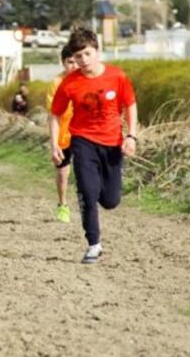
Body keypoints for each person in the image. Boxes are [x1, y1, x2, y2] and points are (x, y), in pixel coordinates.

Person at [50, 27, 138, 265]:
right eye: (78, 57)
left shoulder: (117, 77)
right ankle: (93, 244)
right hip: (82, 141)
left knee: (110, 201)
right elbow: (55, 114)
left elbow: (130, 105)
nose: (83, 60)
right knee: (88, 193)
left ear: (98, 51)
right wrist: (55, 144)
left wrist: (131, 136)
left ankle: (98, 188)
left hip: (111, 144)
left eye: (87, 54)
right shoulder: (70, 83)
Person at [46, 46, 78, 224]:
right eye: (70, 62)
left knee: (85, 169)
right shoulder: (57, 83)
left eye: (76, 61)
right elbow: (54, 113)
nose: (73, 66)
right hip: (63, 133)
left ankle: (87, 202)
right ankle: (63, 204)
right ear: (63, 62)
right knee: (63, 172)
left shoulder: (86, 80)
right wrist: (54, 143)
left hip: (82, 132)